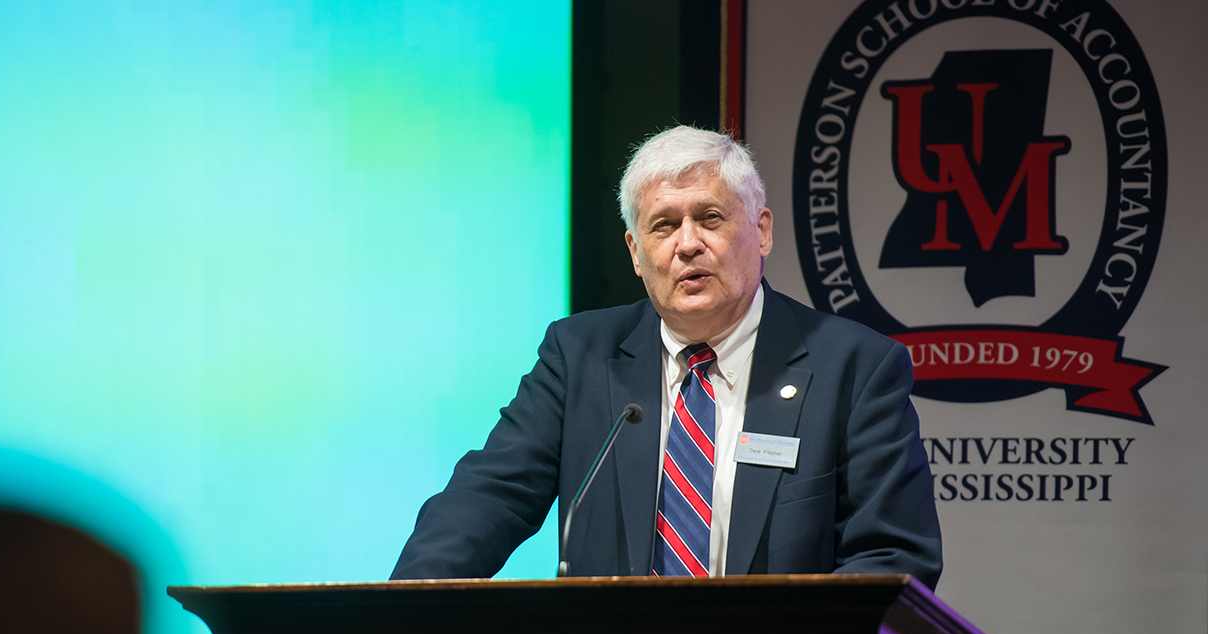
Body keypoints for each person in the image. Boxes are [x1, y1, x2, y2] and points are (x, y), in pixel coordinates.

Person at [391, 125, 941, 587]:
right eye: (663, 225)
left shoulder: (855, 368)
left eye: (710, 218)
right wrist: (391, 620)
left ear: (763, 231)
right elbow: (487, 499)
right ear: (635, 252)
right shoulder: (579, 356)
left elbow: (893, 560)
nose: (687, 243)